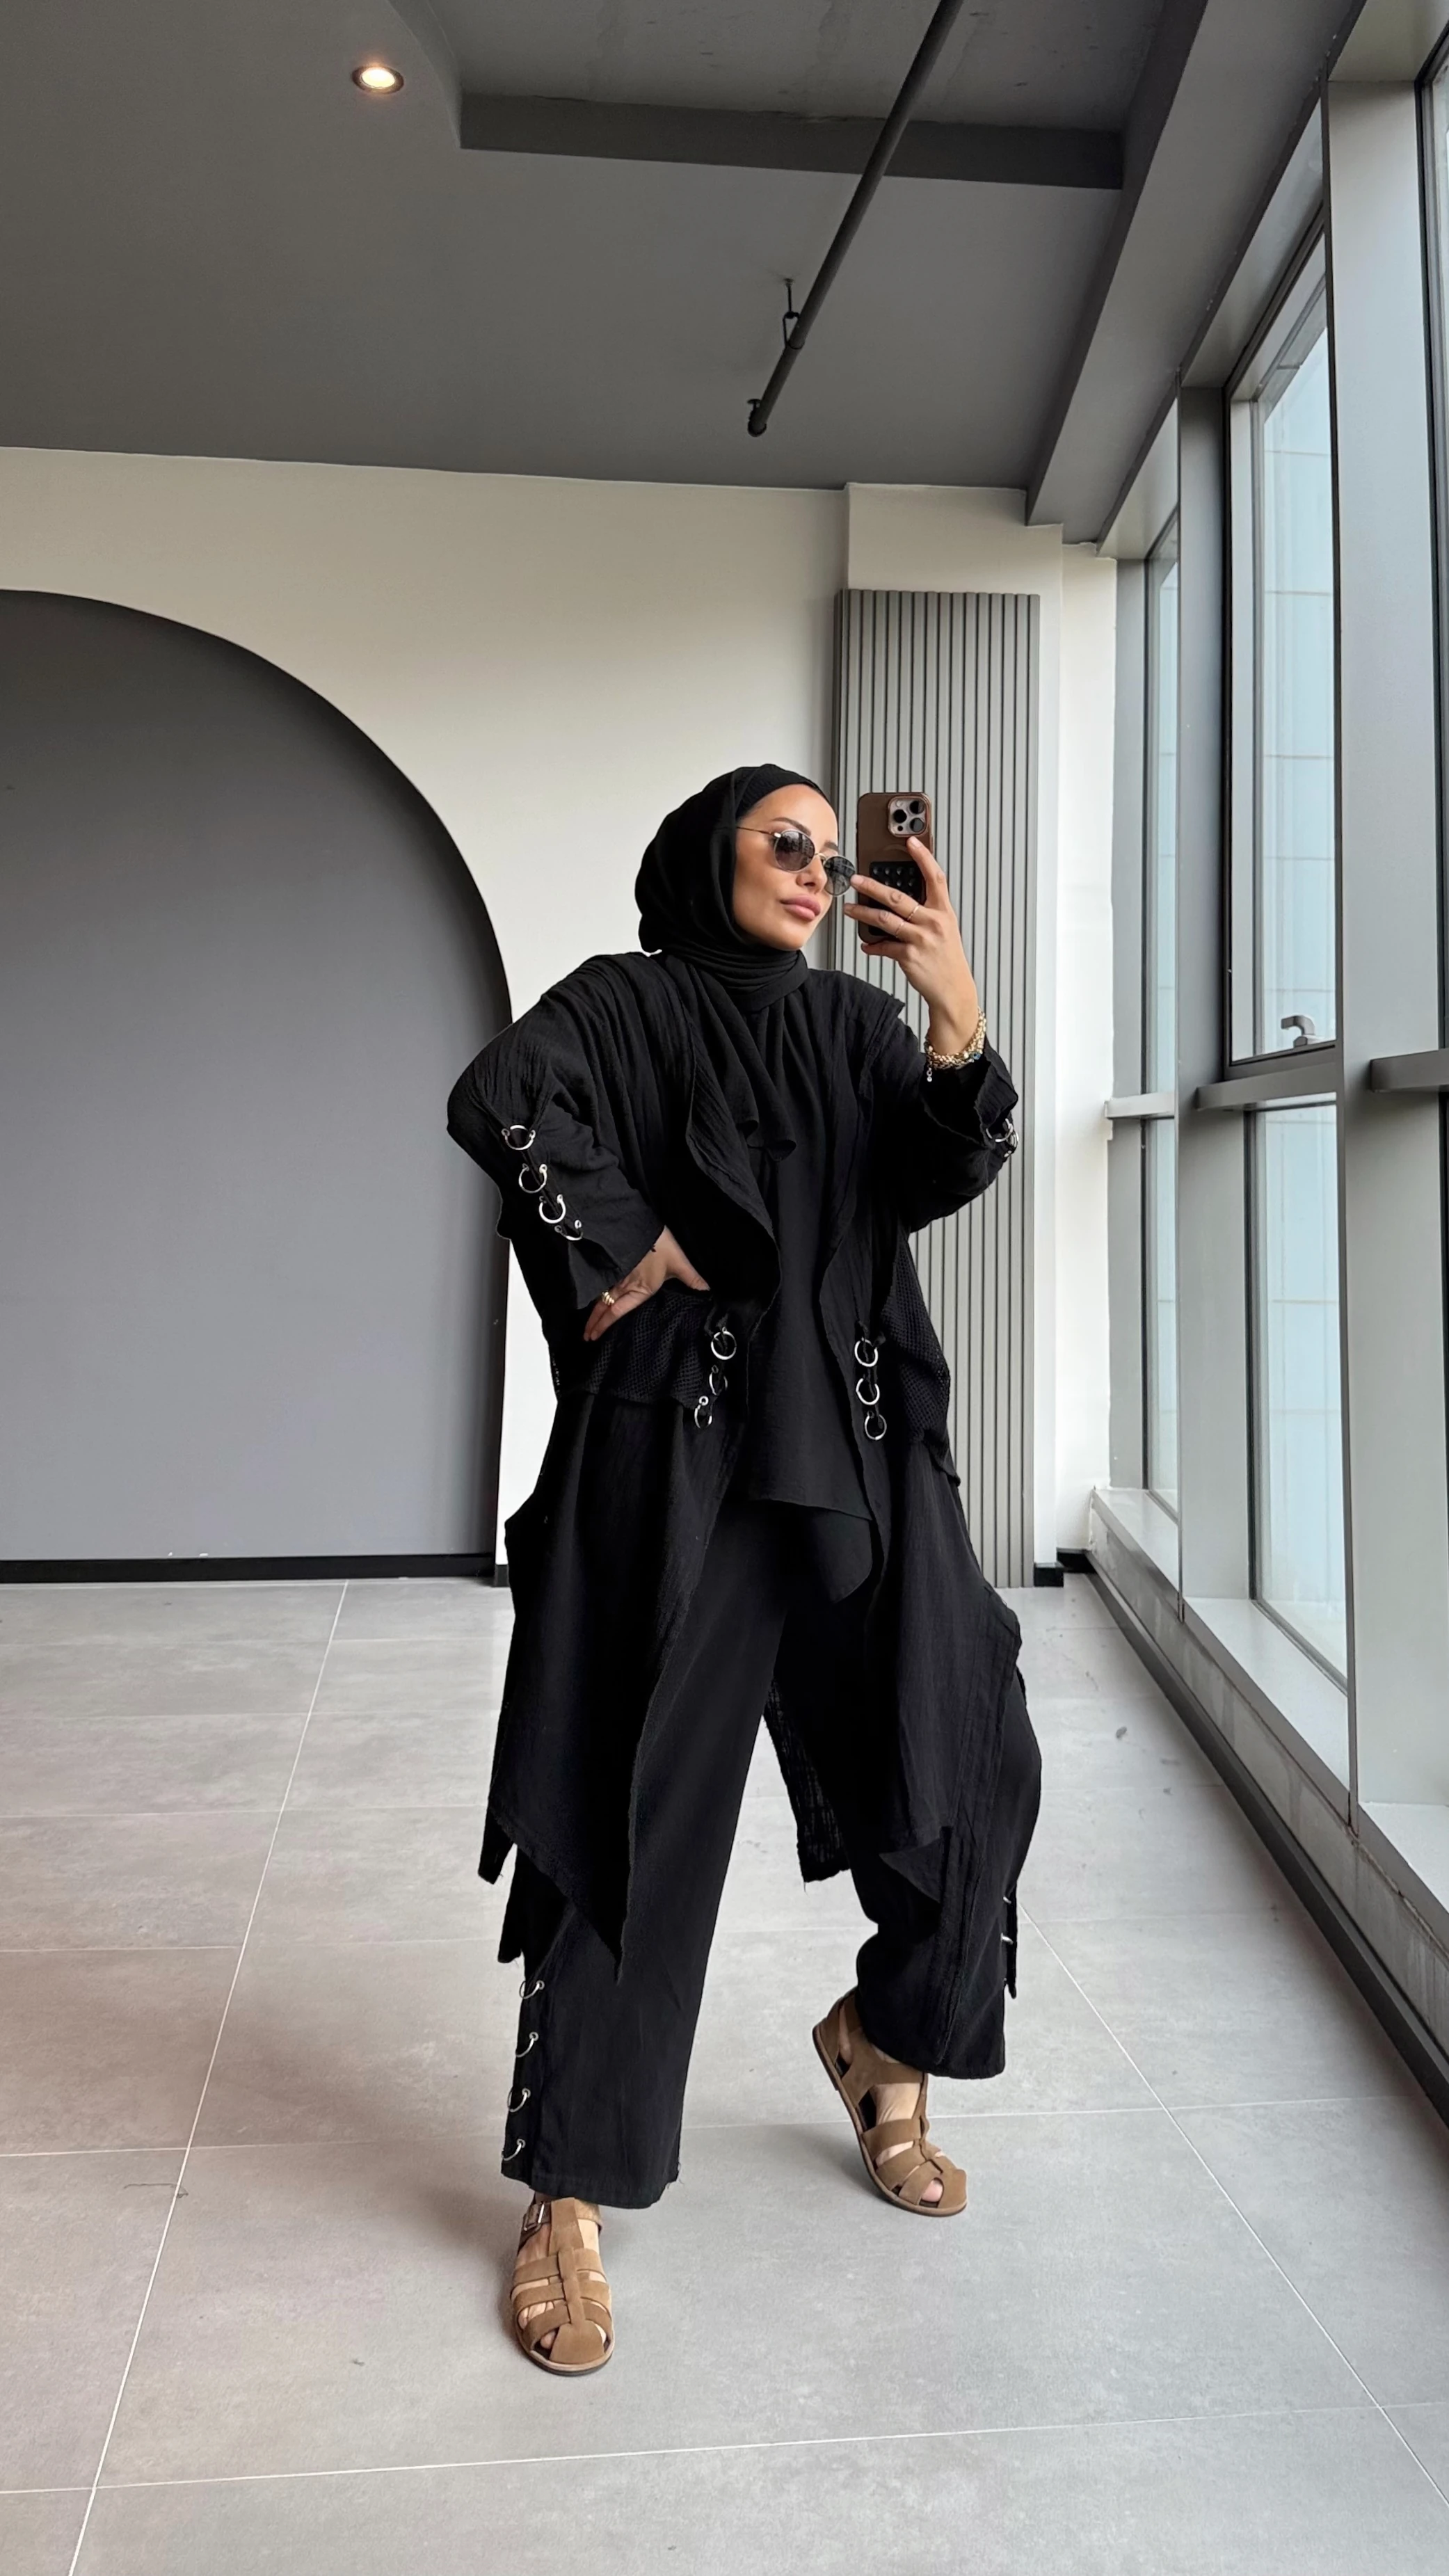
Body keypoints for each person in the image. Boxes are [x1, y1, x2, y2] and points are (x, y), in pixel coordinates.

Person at [447, 765, 1039, 2375]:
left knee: (967, 1751)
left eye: (834, 858)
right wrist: (622, 1241)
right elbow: (502, 1097)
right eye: (786, 843)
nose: (814, 873)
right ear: (711, 850)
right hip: (680, 1472)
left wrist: (955, 1020)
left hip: (857, 1457)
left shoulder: (857, 1025)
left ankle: (889, 2042)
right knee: (630, 1813)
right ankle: (570, 2192)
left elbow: (936, 1169)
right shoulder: (625, 1002)